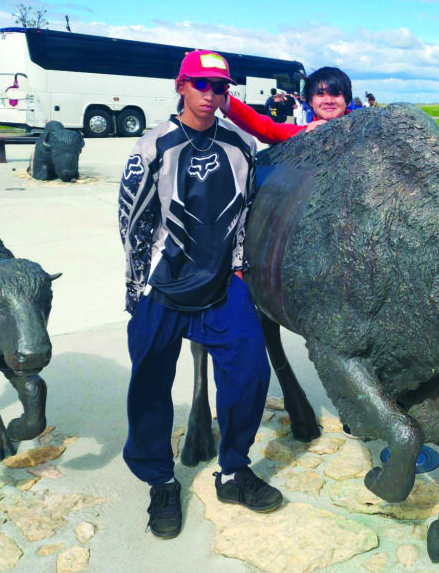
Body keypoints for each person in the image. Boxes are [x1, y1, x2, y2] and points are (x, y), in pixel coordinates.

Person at [118, 50, 283, 540]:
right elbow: (132, 222)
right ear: (181, 85)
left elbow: (247, 212)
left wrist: (238, 268)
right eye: (201, 85)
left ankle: (233, 471)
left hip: (221, 286)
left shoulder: (241, 145)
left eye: (220, 87)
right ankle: (161, 481)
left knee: (250, 373)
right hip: (162, 287)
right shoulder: (153, 147)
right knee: (149, 387)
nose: (211, 95)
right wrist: (137, 287)